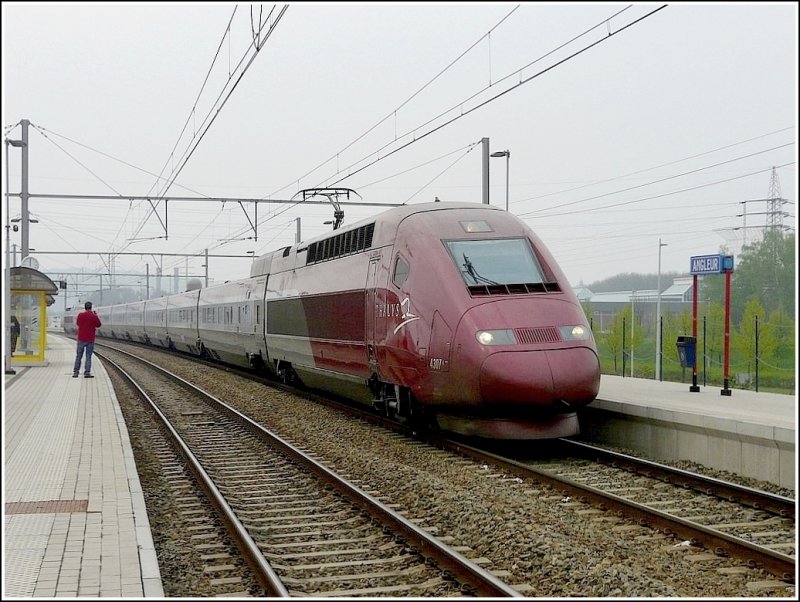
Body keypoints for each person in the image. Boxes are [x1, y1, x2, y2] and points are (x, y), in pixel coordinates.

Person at [73, 301, 102, 378]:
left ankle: (76, 372)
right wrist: (95, 315)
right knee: (88, 356)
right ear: (91, 307)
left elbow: (78, 323)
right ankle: (87, 373)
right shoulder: (93, 316)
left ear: (85, 307)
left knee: (78, 356)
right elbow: (99, 324)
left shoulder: (80, 315)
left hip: (81, 338)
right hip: (90, 339)